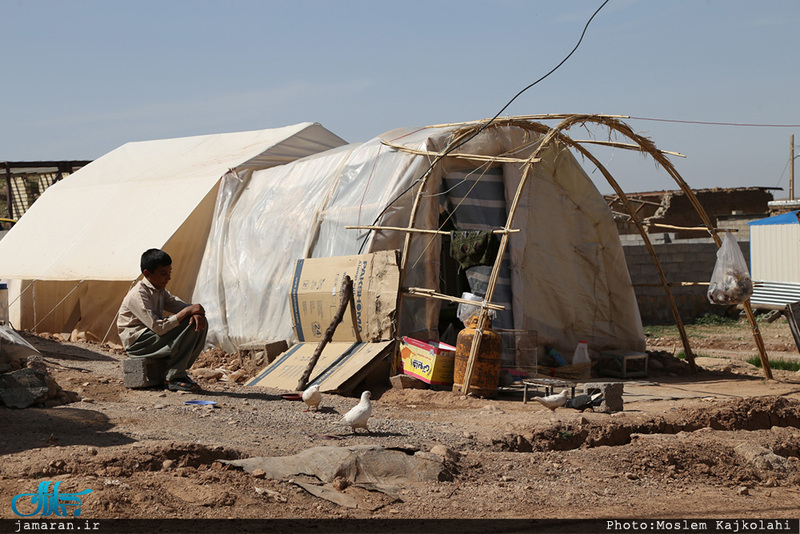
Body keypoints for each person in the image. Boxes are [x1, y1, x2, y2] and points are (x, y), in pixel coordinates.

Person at [117, 248, 207, 392]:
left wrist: (196, 312)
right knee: (186, 322)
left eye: (169, 272)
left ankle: (178, 371)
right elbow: (158, 327)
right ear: (147, 274)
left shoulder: (160, 290)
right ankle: (173, 377)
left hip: (151, 337)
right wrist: (187, 311)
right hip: (138, 343)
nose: (168, 278)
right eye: (163, 274)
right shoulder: (139, 294)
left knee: (196, 321)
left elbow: (180, 306)